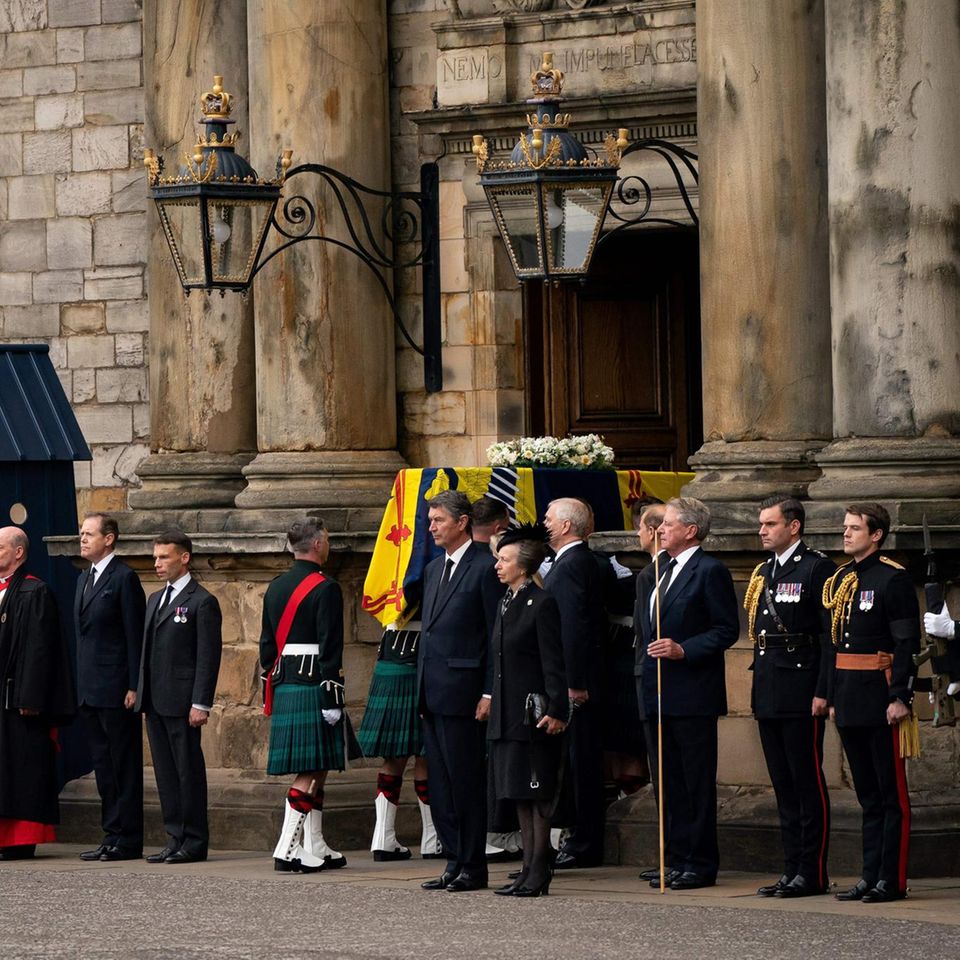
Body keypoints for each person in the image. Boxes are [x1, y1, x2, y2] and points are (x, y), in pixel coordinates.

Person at [636, 497, 739, 890]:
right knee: (669, 782)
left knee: (694, 782)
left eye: (669, 524)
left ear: (690, 531)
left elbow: (725, 629)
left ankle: (699, 862)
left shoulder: (708, 570)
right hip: (658, 692)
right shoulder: (659, 569)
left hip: (692, 693)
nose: (660, 529)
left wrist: (684, 649)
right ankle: (675, 857)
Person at [823, 503, 919, 903]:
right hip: (849, 697)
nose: (846, 534)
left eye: (854, 528)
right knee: (867, 795)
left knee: (889, 794)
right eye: (845, 527)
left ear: (875, 535)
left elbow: (906, 643)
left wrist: (900, 695)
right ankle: (869, 874)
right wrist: (830, 695)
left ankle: (891, 879)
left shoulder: (891, 579)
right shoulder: (843, 578)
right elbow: (833, 643)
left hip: (880, 698)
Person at [744, 496, 833, 898]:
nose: (762, 531)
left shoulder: (816, 568)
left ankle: (811, 871)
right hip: (769, 687)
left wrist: (822, 691)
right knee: (783, 784)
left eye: (769, 524)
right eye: (761, 524)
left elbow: (829, 638)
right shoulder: (765, 571)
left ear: (793, 527)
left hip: (801, 689)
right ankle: (791, 866)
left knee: (806, 782)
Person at [418, 490, 500, 892]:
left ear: (462, 522)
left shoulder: (486, 567)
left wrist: (488, 692)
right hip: (432, 693)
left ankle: (473, 864)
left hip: (466, 693)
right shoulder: (434, 569)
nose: (431, 527)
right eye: (430, 519)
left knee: (466, 782)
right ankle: (453, 859)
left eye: (438, 520)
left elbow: (493, 637)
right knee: (441, 784)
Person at [261, 517, 348, 873]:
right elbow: (331, 648)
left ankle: (315, 843)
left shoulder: (276, 586)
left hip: (286, 683)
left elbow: (267, 645)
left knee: (319, 768)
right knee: (310, 770)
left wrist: (273, 681)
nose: (328, 546)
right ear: (317, 543)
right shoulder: (326, 588)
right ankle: (287, 848)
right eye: (326, 540)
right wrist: (333, 696)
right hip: (315, 684)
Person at [488, 526, 568, 897]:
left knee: (537, 793)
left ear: (523, 566)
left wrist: (557, 709)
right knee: (518, 791)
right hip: (507, 714)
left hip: (534, 714)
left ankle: (539, 870)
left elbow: (554, 661)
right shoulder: (506, 601)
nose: (497, 565)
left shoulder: (543, 602)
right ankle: (526, 870)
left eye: (504, 560)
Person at [135, 529, 222, 864]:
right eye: (156, 557)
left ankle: (194, 840)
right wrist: (143, 694)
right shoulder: (156, 599)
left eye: (164, 557)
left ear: (184, 558)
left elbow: (207, 656)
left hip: (183, 701)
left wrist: (201, 702)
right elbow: (148, 652)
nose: (157, 563)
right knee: (166, 773)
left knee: (188, 771)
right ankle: (174, 837)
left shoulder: (202, 601)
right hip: (156, 700)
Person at [0, 527, 76, 860]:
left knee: (22, 771)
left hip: (19, 702)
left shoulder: (35, 591)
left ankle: (20, 840)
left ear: (18, 552)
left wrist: (29, 698)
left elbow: (39, 650)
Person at [74, 512, 146, 863]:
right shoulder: (84, 579)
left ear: (110, 539)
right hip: (90, 689)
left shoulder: (124, 578)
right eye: (81, 533)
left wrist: (134, 684)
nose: (83, 539)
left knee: (123, 765)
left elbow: (134, 636)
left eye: (89, 534)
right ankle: (111, 834)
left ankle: (129, 838)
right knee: (104, 766)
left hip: (117, 688)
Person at [542, 497, 607, 870]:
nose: (544, 523)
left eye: (549, 518)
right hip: (578, 679)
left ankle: (583, 841)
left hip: (575, 684)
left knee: (580, 763)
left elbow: (573, 628)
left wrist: (573, 682)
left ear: (566, 526)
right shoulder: (579, 561)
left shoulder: (571, 565)